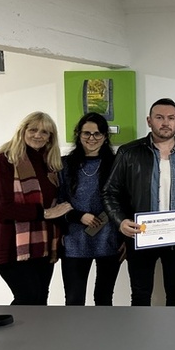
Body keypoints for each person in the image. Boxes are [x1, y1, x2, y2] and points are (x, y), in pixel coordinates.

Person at [103, 98, 175, 306]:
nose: (165, 123)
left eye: (170, 118)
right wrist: (121, 222)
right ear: (149, 121)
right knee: (140, 295)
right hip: (141, 235)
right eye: (159, 118)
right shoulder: (128, 152)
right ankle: (141, 338)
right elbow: (109, 192)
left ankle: (174, 339)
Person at [0, 112, 72, 305]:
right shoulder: (4, 160)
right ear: (22, 131)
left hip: (43, 244)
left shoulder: (51, 163)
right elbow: (2, 208)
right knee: (28, 298)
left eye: (45, 132)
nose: (38, 135)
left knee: (41, 297)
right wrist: (45, 213)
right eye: (33, 129)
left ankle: (38, 336)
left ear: (51, 137)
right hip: (11, 245)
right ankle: (14, 336)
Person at [59, 112, 121, 305]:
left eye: (97, 134)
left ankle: (104, 336)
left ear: (105, 137)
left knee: (104, 298)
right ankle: (76, 336)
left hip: (109, 238)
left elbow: (124, 201)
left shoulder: (116, 164)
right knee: (74, 299)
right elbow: (58, 201)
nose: (91, 138)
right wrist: (78, 216)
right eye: (86, 133)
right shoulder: (64, 164)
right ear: (78, 134)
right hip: (74, 239)